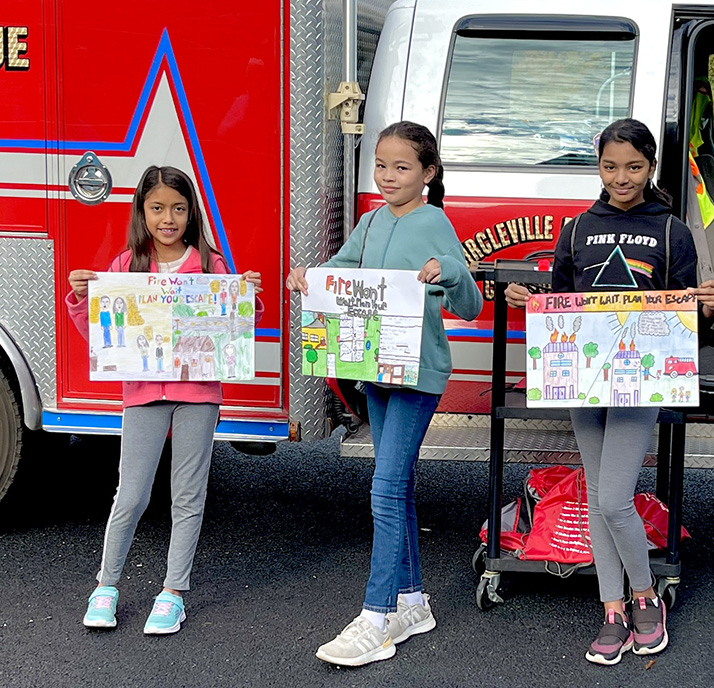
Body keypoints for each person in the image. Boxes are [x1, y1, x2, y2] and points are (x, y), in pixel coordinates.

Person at [505, 119, 714, 666]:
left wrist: (704, 306)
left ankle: (645, 595)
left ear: (650, 168)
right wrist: (524, 299)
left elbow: (684, 317)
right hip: (583, 383)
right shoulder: (577, 229)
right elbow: (558, 304)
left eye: (633, 167)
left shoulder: (672, 231)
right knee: (605, 500)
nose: (621, 178)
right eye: (610, 167)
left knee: (610, 498)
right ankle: (611, 607)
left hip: (639, 380)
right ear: (597, 168)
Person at [286, 121, 482, 666]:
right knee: (396, 485)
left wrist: (449, 271)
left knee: (386, 485)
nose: (389, 175)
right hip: (374, 370)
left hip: (417, 376)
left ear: (428, 173)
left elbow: (469, 302)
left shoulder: (435, 222)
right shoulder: (370, 223)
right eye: (381, 165)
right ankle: (414, 602)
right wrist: (307, 277)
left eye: (402, 167)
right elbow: (341, 272)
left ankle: (376, 617)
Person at [66, 165, 263, 635]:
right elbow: (101, 336)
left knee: (188, 496)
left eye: (177, 208)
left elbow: (234, 326)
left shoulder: (211, 264)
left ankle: (173, 592)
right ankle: (106, 586)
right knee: (131, 494)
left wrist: (246, 297)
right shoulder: (125, 265)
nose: (167, 218)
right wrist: (81, 299)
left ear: (191, 212)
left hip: (198, 394)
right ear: (142, 212)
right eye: (157, 208)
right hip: (142, 394)